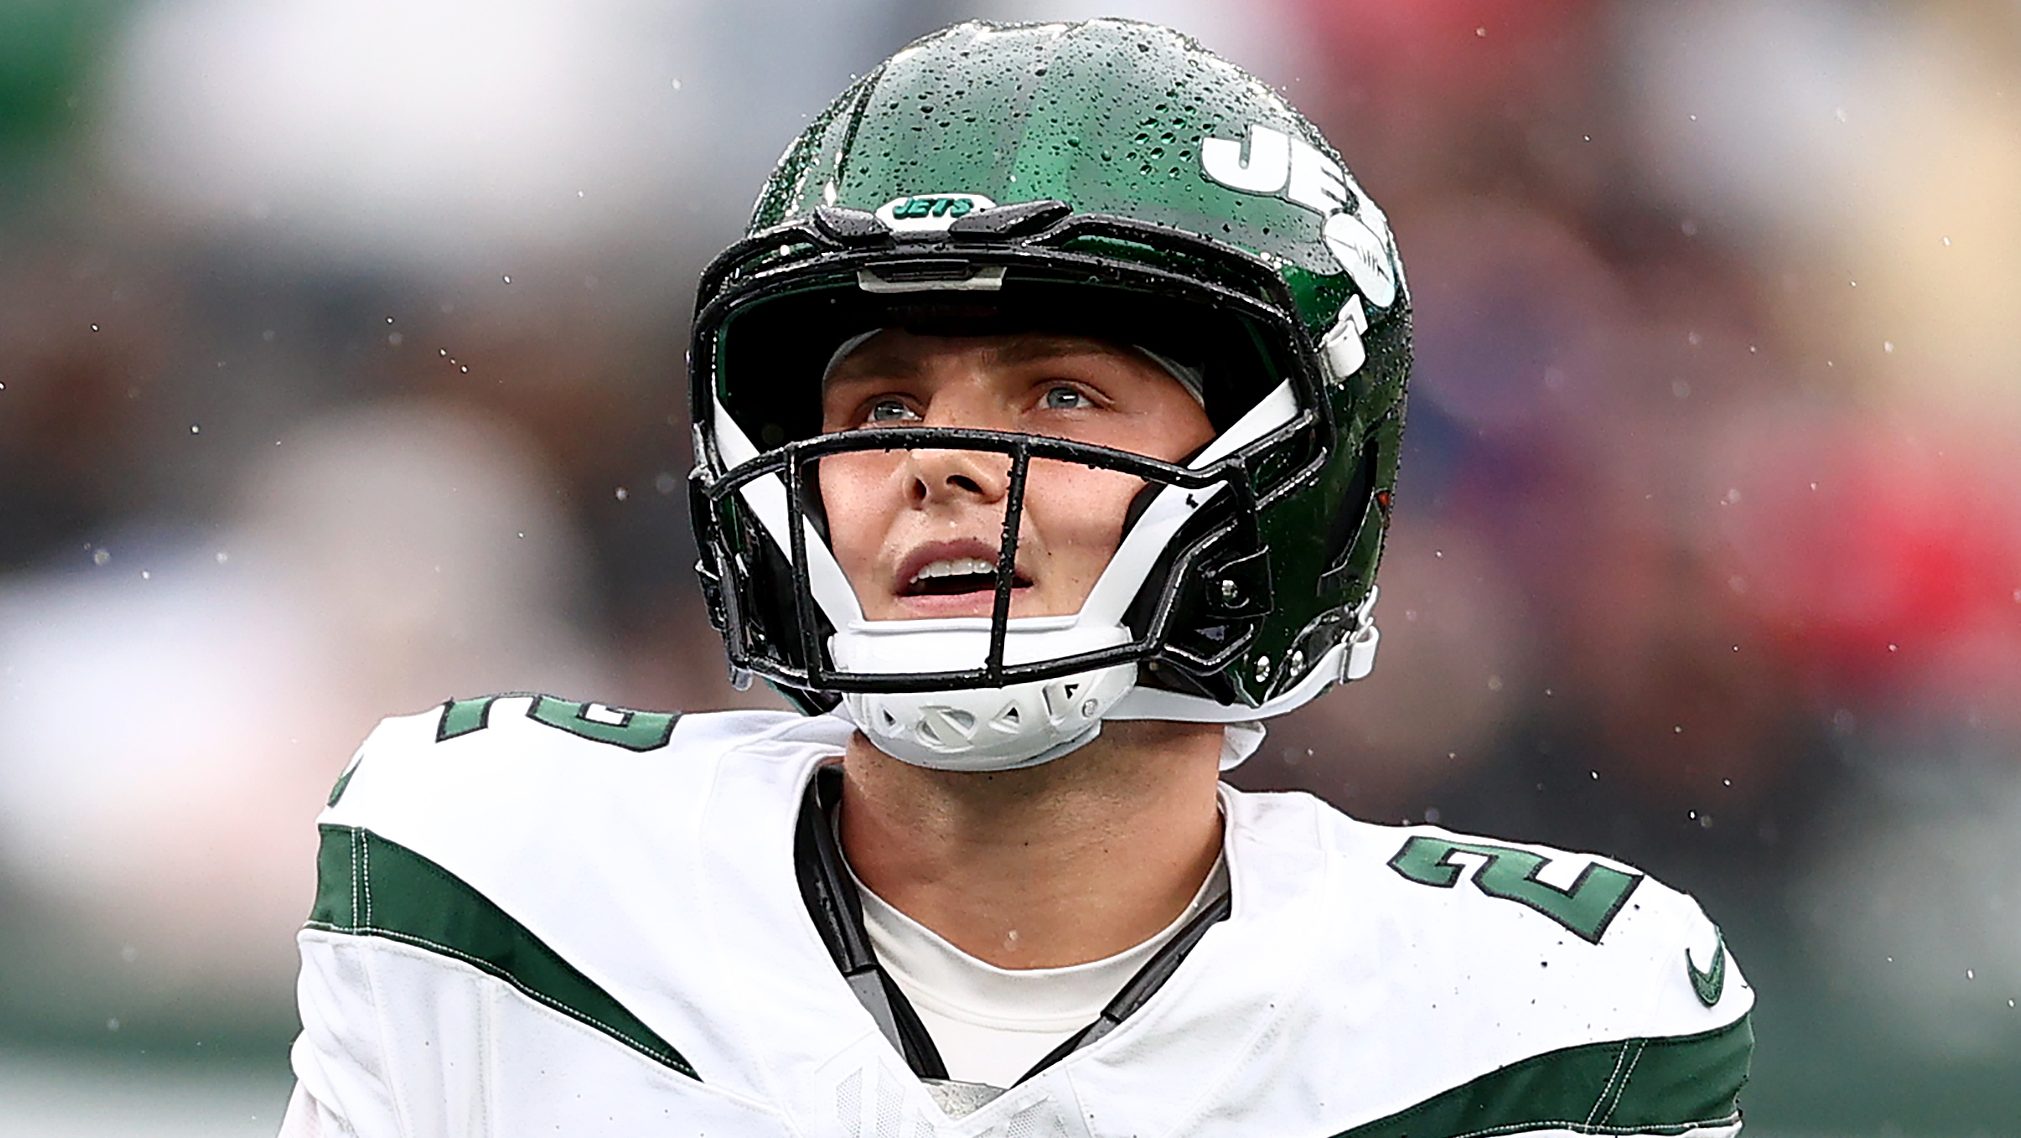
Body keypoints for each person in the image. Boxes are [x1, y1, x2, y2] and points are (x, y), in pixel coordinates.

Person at [279, 17, 1752, 1137]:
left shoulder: (1529, 1018)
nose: (945, 465)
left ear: (1285, 482)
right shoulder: (501, 870)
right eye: (882, 410)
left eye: (1057, 395)